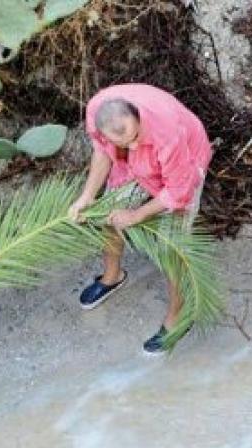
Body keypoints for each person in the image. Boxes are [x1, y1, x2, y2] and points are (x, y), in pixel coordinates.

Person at [68, 83, 213, 355]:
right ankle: (112, 276)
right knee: (108, 216)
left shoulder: (165, 132)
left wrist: (136, 215)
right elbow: (102, 154)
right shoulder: (96, 114)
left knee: (171, 249)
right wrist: (86, 197)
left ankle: (177, 318)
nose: (133, 144)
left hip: (182, 167)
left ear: (137, 116)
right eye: (125, 142)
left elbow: (178, 190)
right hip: (135, 166)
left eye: (136, 136)